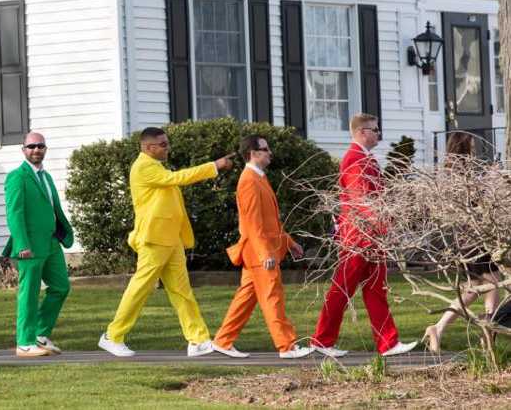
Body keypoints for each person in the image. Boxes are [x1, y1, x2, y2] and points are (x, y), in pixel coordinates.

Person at [98, 126, 234, 358]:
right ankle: (113, 336)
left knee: (182, 291)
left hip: (170, 239)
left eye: (167, 143)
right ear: (149, 148)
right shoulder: (143, 167)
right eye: (163, 144)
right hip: (153, 239)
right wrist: (214, 167)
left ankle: (198, 340)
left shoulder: (155, 166)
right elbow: (178, 178)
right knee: (140, 288)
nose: (167, 147)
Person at [311, 114, 417, 357]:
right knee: (342, 288)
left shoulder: (363, 158)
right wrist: (383, 228)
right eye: (375, 129)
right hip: (359, 237)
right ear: (362, 132)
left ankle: (388, 342)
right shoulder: (356, 159)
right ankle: (321, 341)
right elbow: (362, 200)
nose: (379, 133)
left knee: (375, 289)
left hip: (368, 236)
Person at [213, 135, 312, 359]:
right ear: (253, 153)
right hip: (259, 252)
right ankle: (287, 346)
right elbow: (252, 222)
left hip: (260, 250)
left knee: (246, 297)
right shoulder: (248, 180)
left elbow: (270, 220)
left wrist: (289, 241)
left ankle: (223, 341)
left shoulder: (259, 177)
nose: (270, 153)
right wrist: (265, 253)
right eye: (265, 149)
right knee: (272, 296)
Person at [422, 132, 501, 353]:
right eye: (472, 147)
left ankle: (438, 328)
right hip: (474, 240)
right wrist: (492, 181)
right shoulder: (462, 176)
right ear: (464, 149)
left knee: (474, 289)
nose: (475, 151)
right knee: (492, 283)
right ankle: (488, 335)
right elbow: (476, 203)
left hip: (466, 239)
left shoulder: (450, 174)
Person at [3, 132, 74, 357]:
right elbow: (14, 213)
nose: (36, 150)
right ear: (23, 149)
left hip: (52, 242)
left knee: (61, 287)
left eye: (40, 146)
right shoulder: (17, 176)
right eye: (31, 146)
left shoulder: (46, 177)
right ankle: (24, 343)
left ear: (45, 149)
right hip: (29, 247)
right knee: (29, 293)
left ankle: (40, 335)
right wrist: (22, 244)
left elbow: (52, 208)